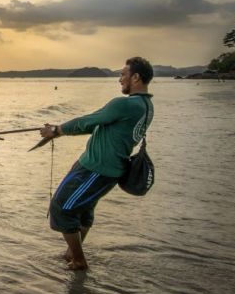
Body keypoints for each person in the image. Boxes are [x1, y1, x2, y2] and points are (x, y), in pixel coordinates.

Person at [39, 57, 154, 271]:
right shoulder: (146, 105)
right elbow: (97, 125)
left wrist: (56, 131)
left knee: (61, 208)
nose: (120, 79)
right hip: (107, 170)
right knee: (83, 209)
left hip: (96, 169)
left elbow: (89, 121)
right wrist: (60, 130)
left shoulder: (126, 104)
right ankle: (71, 253)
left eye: (123, 74)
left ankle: (79, 261)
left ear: (136, 77)